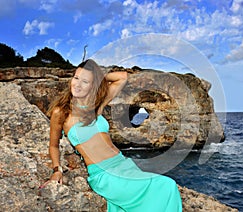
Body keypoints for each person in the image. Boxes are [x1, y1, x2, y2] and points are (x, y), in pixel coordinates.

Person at [43, 59, 182, 212]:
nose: (78, 84)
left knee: (161, 193)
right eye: (76, 78)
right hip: (104, 174)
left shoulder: (96, 106)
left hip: (124, 164)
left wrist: (99, 77)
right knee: (166, 185)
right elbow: (53, 145)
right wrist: (57, 170)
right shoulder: (61, 112)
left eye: (85, 81)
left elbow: (122, 77)